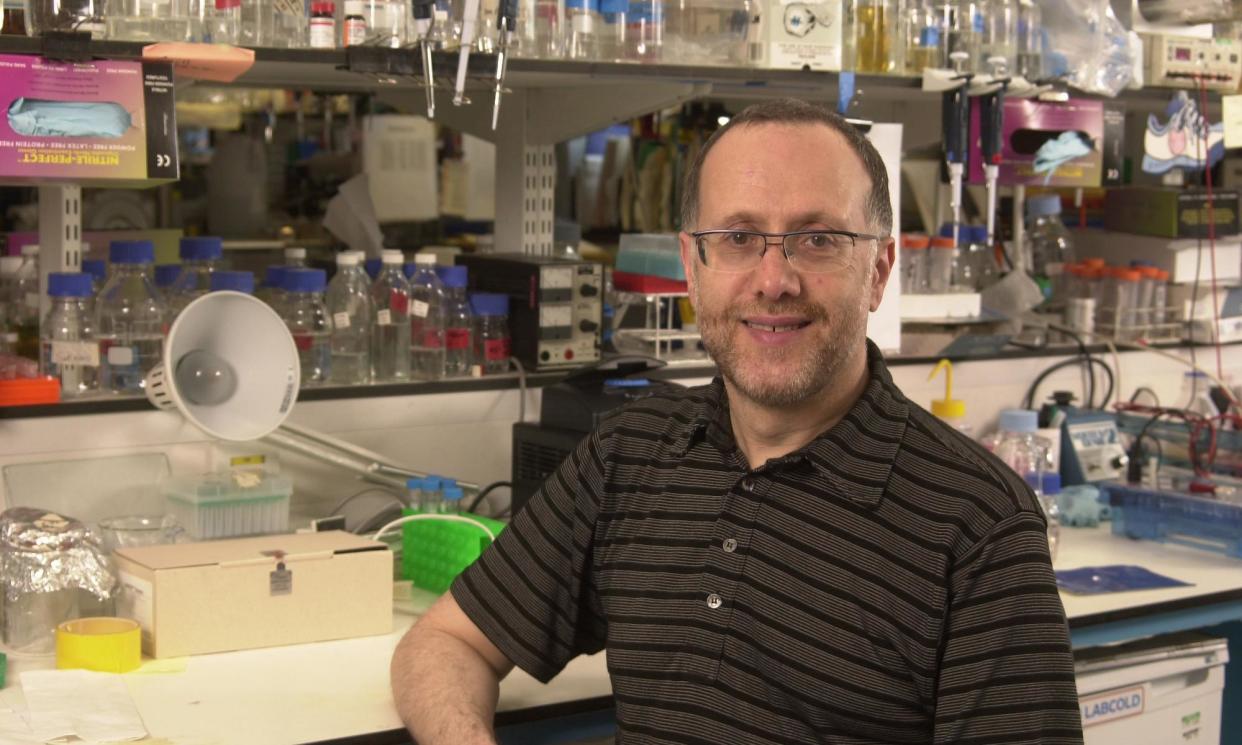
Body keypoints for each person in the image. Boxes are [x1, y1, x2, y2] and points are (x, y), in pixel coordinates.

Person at [391, 98, 1083, 744]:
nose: (774, 279)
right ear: (692, 267)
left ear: (878, 271)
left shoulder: (978, 524)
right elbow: (446, 642)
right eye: (738, 237)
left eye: (817, 239)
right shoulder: (630, 457)